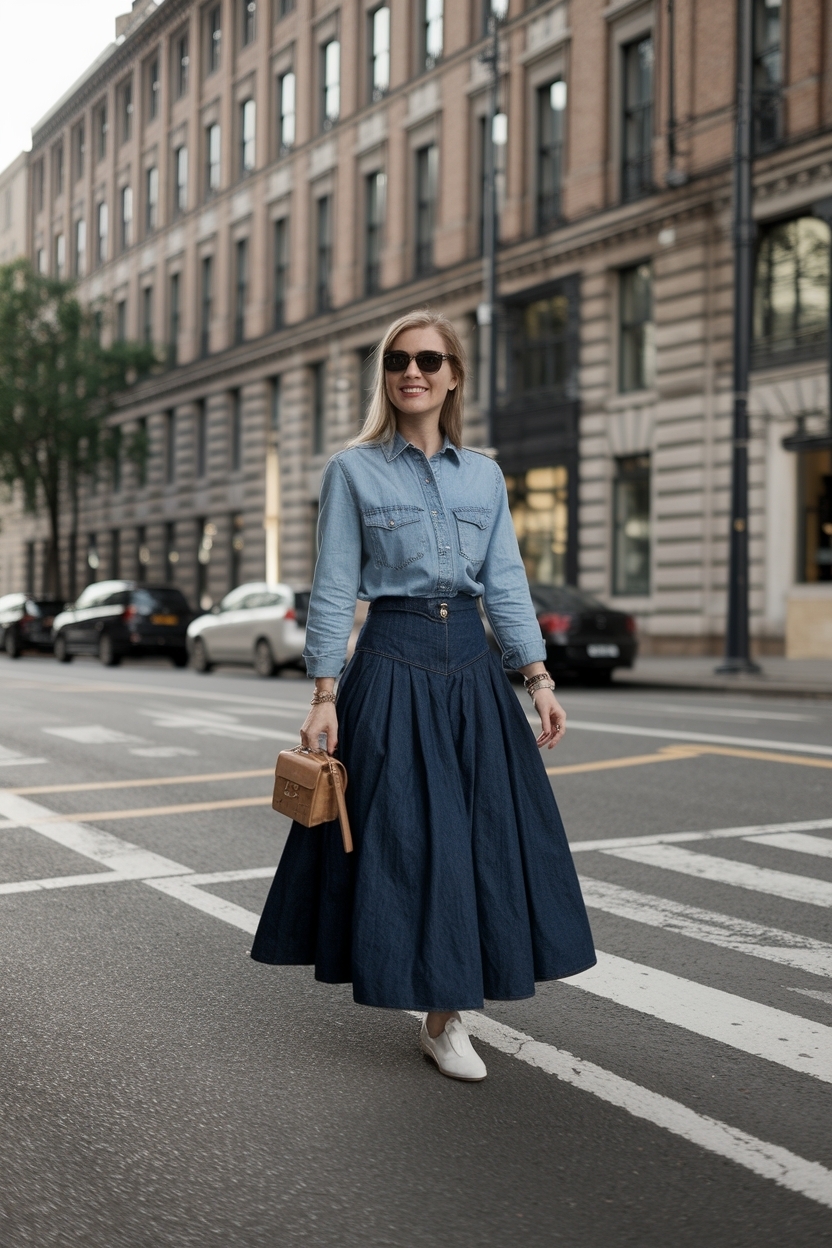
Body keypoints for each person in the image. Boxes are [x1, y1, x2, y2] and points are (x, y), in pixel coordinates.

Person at [251, 309, 596, 1082]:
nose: (413, 371)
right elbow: (334, 586)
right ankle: (438, 1004)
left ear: (454, 376)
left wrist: (537, 678)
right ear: (385, 375)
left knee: (482, 838)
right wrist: (323, 693)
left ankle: (446, 1014)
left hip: (472, 667)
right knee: (410, 839)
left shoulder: (485, 475)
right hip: (392, 662)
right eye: (398, 360)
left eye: (430, 360)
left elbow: (505, 583)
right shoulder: (352, 470)